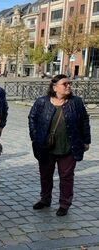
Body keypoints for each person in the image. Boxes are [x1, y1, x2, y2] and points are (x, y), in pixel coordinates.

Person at [28, 74, 91, 216]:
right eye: (65, 84)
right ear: (55, 87)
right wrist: (35, 136)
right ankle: (45, 199)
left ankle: (64, 204)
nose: (69, 86)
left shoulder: (76, 102)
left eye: (69, 83)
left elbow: (84, 121)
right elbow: (32, 117)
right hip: (46, 147)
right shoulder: (42, 102)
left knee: (66, 176)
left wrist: (86, 141)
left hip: (69, 147)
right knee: (45, 174)